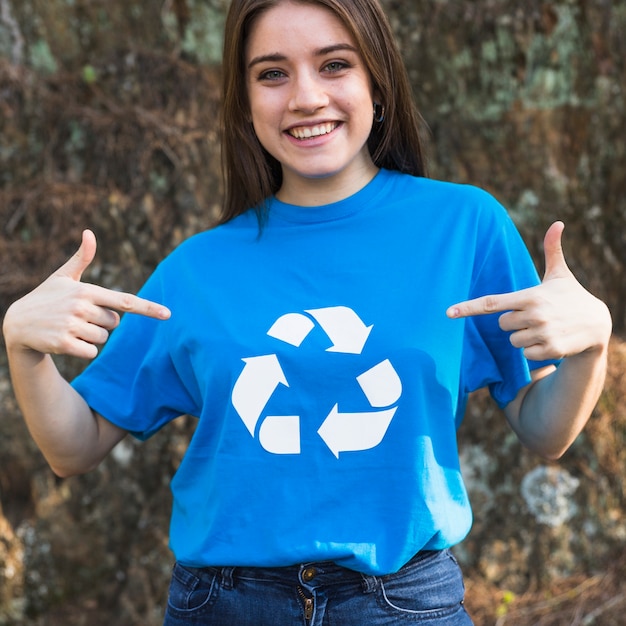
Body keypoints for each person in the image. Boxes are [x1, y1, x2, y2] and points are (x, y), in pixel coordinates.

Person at [2, 0, 612, 624]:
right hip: (225, 605)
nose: (305, 97)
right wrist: (24, 349)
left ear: (377, 79)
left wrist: (592, 345)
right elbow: (74, 447)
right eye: (272, 74)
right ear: (243, 100)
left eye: (334, 65)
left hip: (401, 603)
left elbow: (545, 430)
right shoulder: (197, 269)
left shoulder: (465, 227)